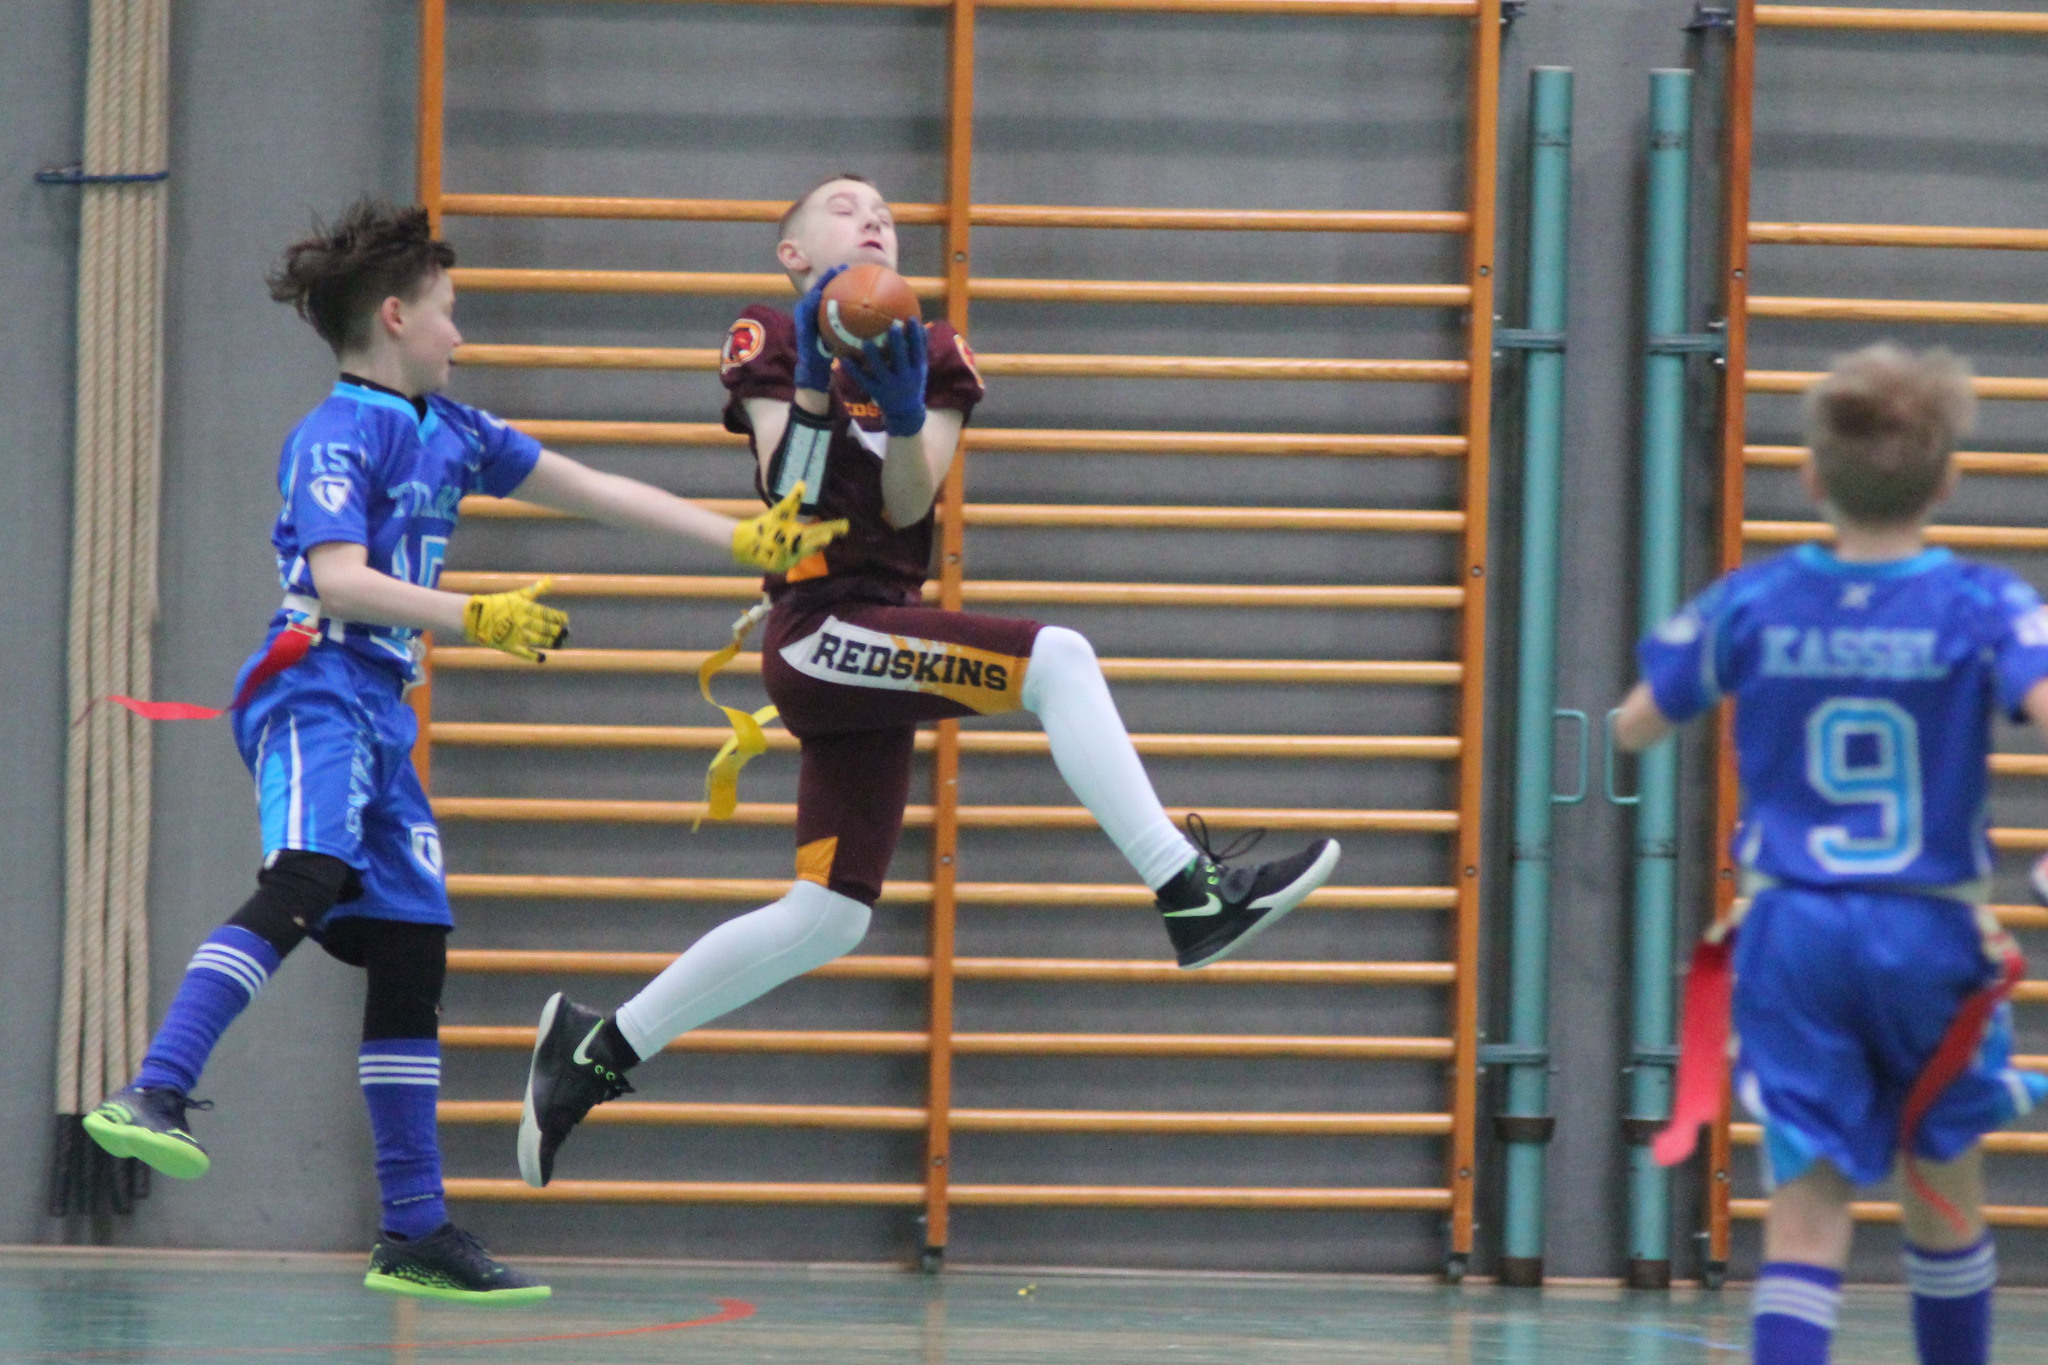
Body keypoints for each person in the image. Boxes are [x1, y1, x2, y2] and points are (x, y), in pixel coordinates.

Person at [79, 199, 842, 1303]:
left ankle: (413, 1228)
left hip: (381, 707)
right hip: (315, 686)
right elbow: (339, 580)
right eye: (448, 311)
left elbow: (590, 488)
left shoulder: (454, 429)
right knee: (306, 875)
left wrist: (741, 540)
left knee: (410, 947)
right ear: (395, 316)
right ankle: (153, 1086)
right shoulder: (336, 433)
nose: (461, 334)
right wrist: (471, 613)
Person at [516, 174, 1342, 1188]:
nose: (874, 218)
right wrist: (813, 385)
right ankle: (1186, 888)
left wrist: (906, 417)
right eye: (844, 207)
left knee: (830, 914)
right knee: (1057, 660)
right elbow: (785, 492)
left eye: (886, 214)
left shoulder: (935, 348)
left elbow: (910, 502)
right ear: (791, 252)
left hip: (876, 625)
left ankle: (596, 1050)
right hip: (819, 627)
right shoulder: (766, 332)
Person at [1616, 343, 2048, 1365]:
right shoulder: (1983, 603)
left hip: (1794, 931)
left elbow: (1633, 725)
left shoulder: (1752, 601)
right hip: (1928, 931)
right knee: (1943, 1197)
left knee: (1806, 1220)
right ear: (1947, 481)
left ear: (1811, 479)